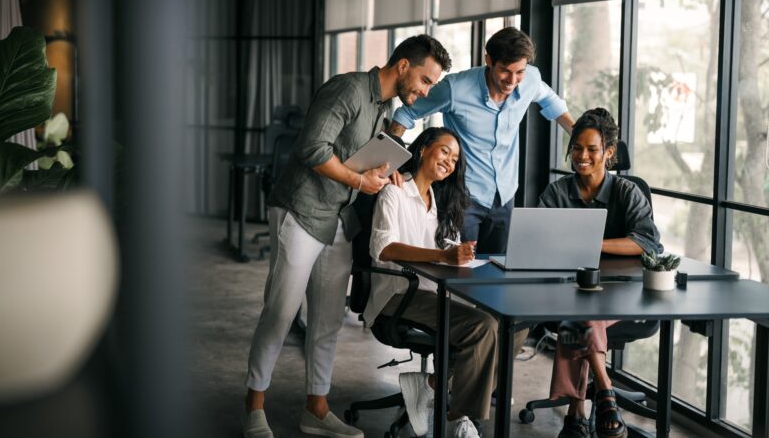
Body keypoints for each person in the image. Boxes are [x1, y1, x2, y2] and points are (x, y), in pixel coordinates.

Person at [243, 35, 452, 438]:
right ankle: (253, 407)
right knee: (281, 312)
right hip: (300, 210)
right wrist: (360, 178)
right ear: (404, 65)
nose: (426, 92)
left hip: (339, 218)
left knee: (326, 320)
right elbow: (313, 148)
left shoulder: (384, 107)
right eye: (425, 81)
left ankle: (315, 410)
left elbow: (359, 155)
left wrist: (383, 170)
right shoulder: (349, 88)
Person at [364, 127, 527, 438]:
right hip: (399, 293)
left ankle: (433, 386)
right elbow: (383, 248)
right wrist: (442, 256)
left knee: (513, 321)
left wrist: (458, 255)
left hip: (434, 290)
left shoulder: (436, 201)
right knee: (483, 327)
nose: (449, 162)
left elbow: (443, 253)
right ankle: (464, 418)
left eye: (455, 159)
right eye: (444, 152)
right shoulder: (394, 192)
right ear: (424, 149)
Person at [388, 27, 574, 254]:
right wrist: (390, 162)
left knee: (497, 273)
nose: (512, 80)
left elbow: (552, 103)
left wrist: (578, 135)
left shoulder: (530, 79)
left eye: (519, 72)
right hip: (463, 197)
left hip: (505, 196)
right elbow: (405, 114)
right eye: (505, 71)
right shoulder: (455, 89)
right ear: (489, 60)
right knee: (460, 272)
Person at [538, 108, 663, 438]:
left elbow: (648, 243)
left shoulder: (627, 192)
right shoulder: (557, 193)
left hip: (621, 295)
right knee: (580, 314)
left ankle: (576, 413)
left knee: (579, 318)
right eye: (577, 147)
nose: (582, 156)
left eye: (592, 150)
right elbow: (538, 238)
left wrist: (592, 242)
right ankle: (605, 393)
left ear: (608, 152)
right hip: (566, 293)